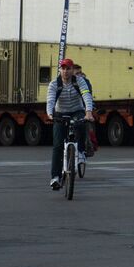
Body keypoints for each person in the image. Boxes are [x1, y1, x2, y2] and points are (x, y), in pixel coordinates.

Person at [48, 58, 94, 190]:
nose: (65, 71)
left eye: (68, 68)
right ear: (59, 70)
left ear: (72, 70)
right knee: (57, 145)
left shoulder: (79, 81)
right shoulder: (54, 84)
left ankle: (80, 150)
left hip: (77, 110)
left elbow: (86, 95)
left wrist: (89, 112)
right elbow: (50, 100)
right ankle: (55, 177)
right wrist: (50, 114)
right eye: (63, 68)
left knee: (81, 123)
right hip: (60, 113)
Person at [73, 65, 98, 156]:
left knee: (86, 125)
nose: (79, 75)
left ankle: (88, 146)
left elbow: (87, 96)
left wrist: (89, 110)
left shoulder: (85, 82)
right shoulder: (69, 82)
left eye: (80, 72)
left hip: (83, 108)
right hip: (72, 109)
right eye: (77, 73)